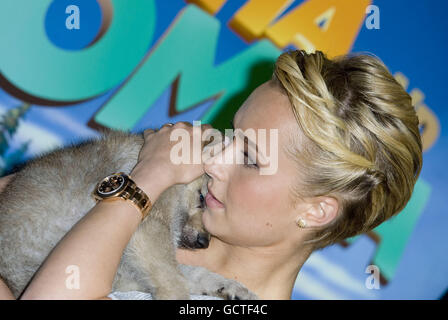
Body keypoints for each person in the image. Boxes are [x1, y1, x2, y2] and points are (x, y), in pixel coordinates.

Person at [0, 49, 422, 300]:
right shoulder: (167, 211)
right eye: (231, 135)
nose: (216, 159)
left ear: (316, 211)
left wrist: (146, 178)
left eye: (252, 159)